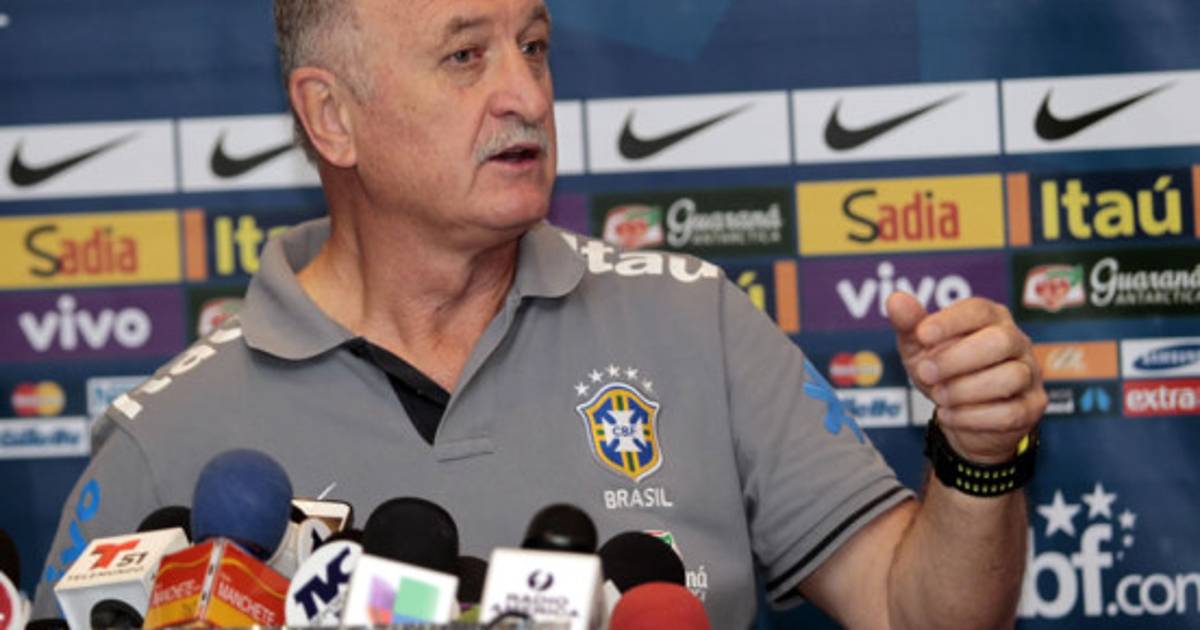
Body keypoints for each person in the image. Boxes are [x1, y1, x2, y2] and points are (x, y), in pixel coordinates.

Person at [33, 1, 1047, 628]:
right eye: (466, 57)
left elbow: (917, 611)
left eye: (534, 45)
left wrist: (977, 456)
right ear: (331, 115)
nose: (525, 93)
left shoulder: (694, 325)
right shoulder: (167, 440)